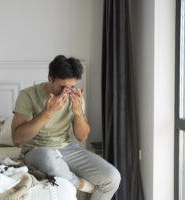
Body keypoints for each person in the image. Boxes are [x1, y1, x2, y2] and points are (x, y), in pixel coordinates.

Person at [12, 55, 121, 200]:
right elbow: (17, 140)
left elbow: (82, 137)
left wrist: (78, 113)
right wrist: (48, 112)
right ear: (50, 79)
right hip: (35, 150)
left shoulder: (74, 97)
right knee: (48, 158)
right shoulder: (28, 95)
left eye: (71, 86)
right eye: (62, 87)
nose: (67, 91)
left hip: (67, 149)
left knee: (113, 177)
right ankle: (80, 184)